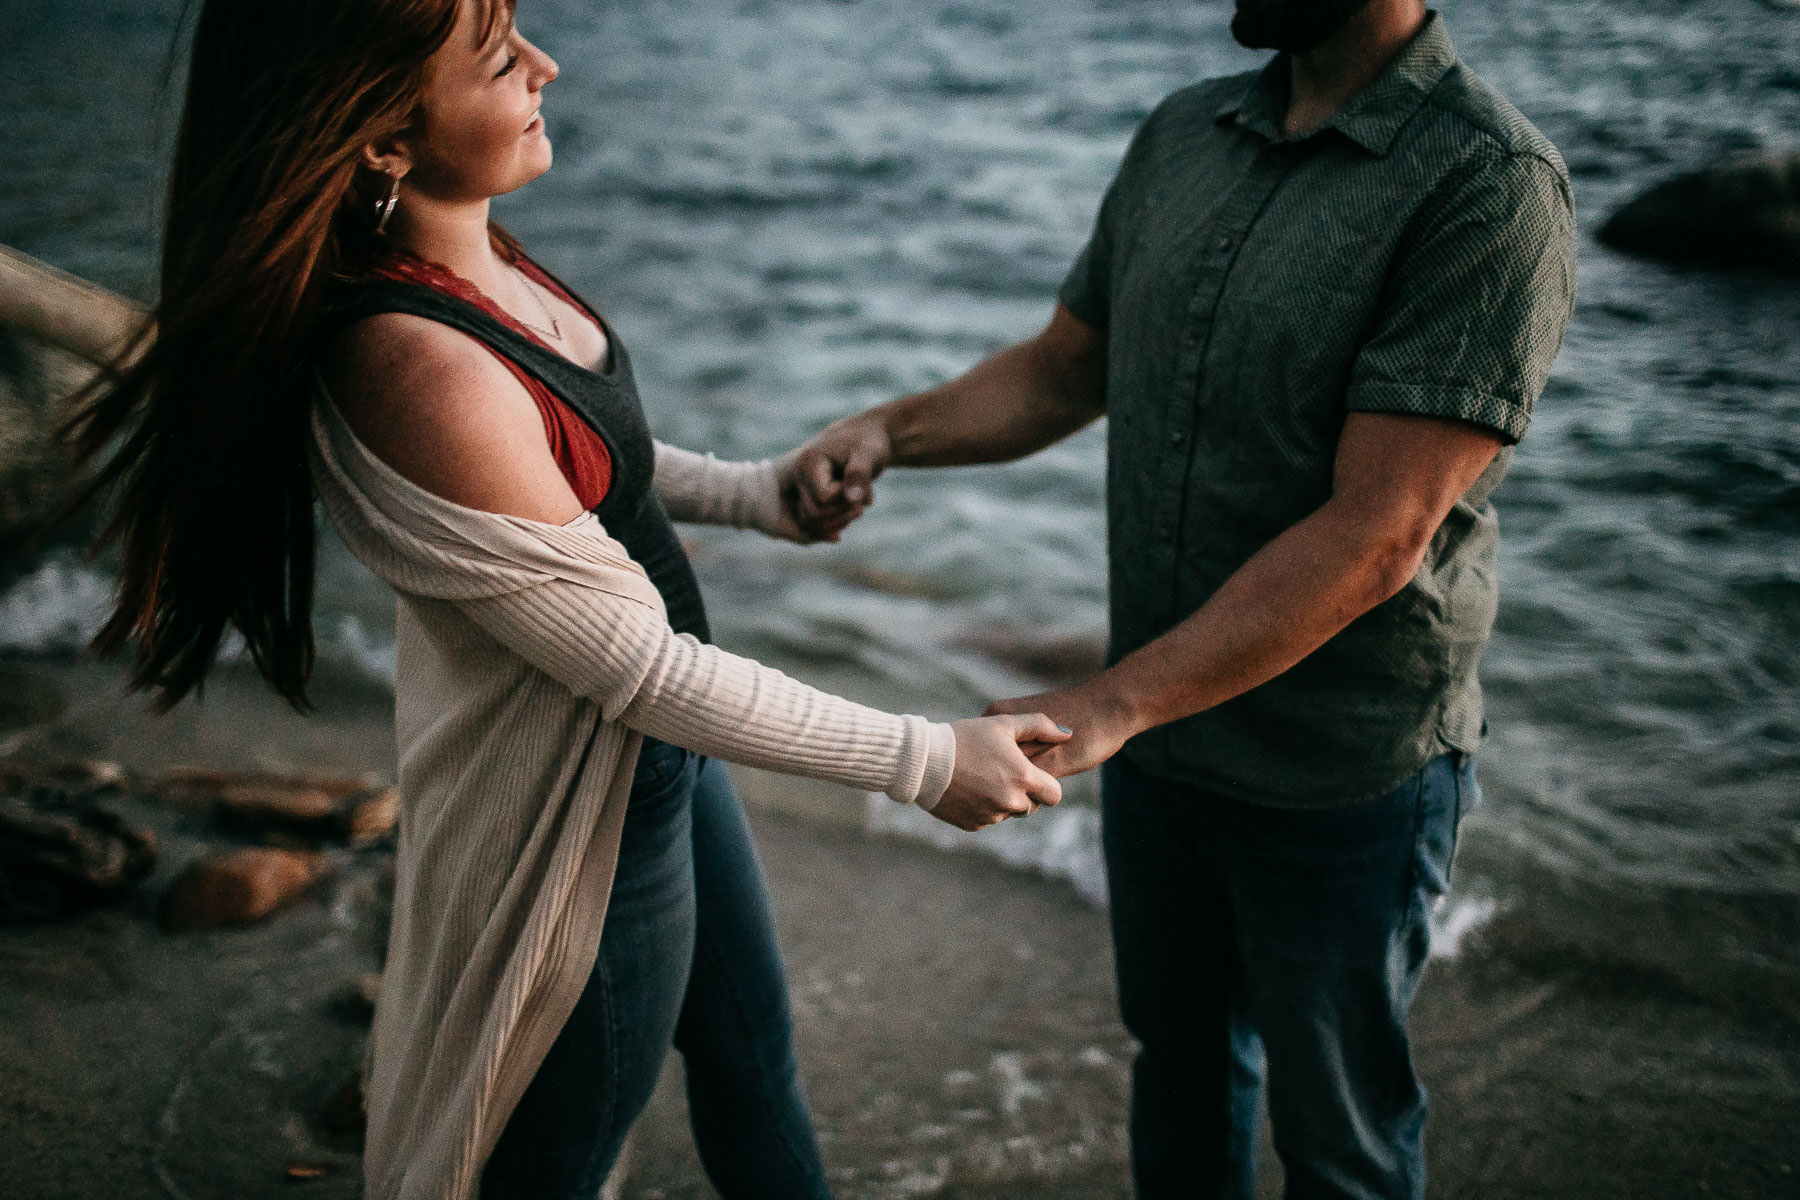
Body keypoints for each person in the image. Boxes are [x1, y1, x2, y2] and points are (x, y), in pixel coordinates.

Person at [64, 1, 1071, 1198]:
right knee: (558, 1164)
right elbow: (636, 670)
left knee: (754, 1061)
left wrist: (758, 496)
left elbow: (595, 462)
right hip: (584, 828)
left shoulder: (483, 258)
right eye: (499, 59)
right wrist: (923, 758)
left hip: (669, 766)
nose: (549, 65)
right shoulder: (414, 364)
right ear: (384, 137)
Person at [786, 0, 1577, 1196]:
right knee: (1184, 1071)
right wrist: (888, 430)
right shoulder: (1181, 133)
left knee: (1343, 1143)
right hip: (1162, 753)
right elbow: (1065, 368)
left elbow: (1379, 536)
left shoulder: (1488, 181)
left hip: (1340, 770)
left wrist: (1113, 704)